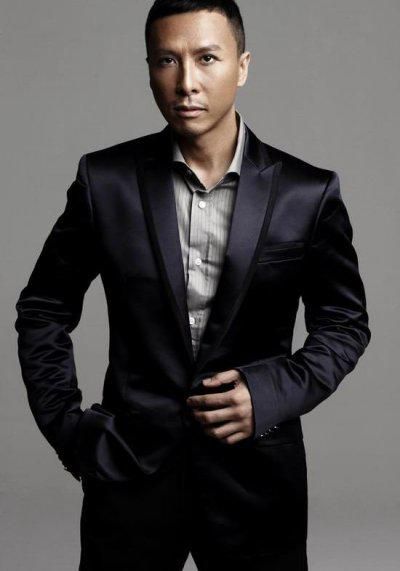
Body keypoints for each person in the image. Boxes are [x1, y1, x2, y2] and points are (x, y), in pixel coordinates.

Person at [14, 1, 371, 569]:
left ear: (242, 65)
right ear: (149, 68)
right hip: (129, 472)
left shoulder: (307, 192)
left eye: (207, 58)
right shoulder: (105, 181)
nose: (186, 83)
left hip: (256, 479)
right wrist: (68, 429)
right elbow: (43, 309)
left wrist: (270, 394)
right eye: (166, 60)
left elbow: (345, 324)